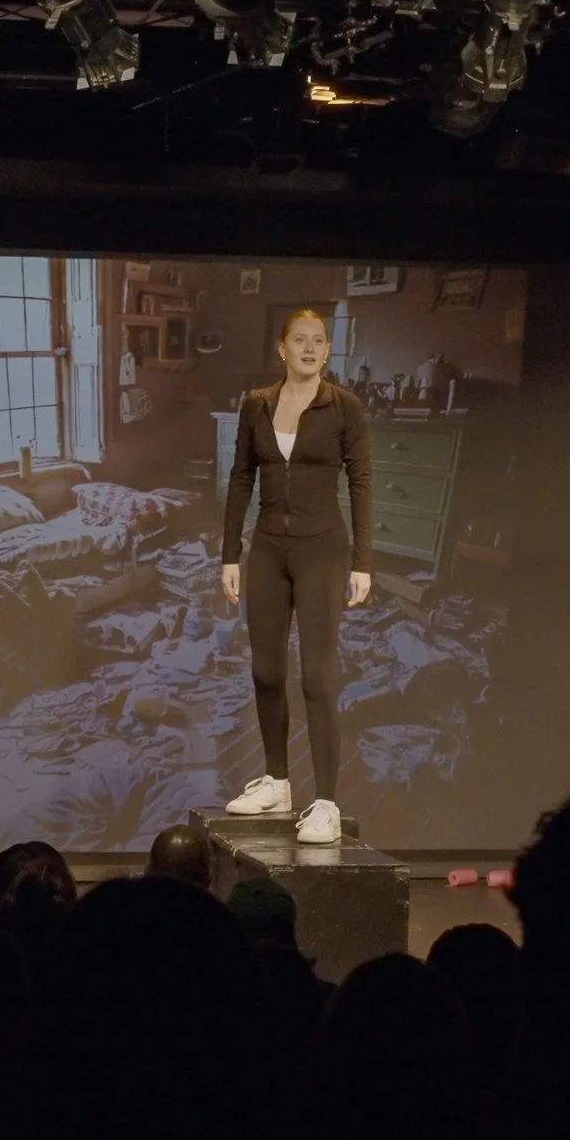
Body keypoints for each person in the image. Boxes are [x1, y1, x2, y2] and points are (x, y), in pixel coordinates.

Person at [220, 307, 372, 846]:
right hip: (266, 550)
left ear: (327, 351)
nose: (310, 348)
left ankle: (326, 801)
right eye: (299, 340)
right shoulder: (256, 406)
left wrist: (362, 562)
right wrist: (229, 553)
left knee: (317, 677)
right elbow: (240, 478)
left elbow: (361, 483)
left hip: (322, 552)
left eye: (319, 341)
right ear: (281, 349)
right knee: (265, 671)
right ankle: (279, 782)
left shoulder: (344, 407)